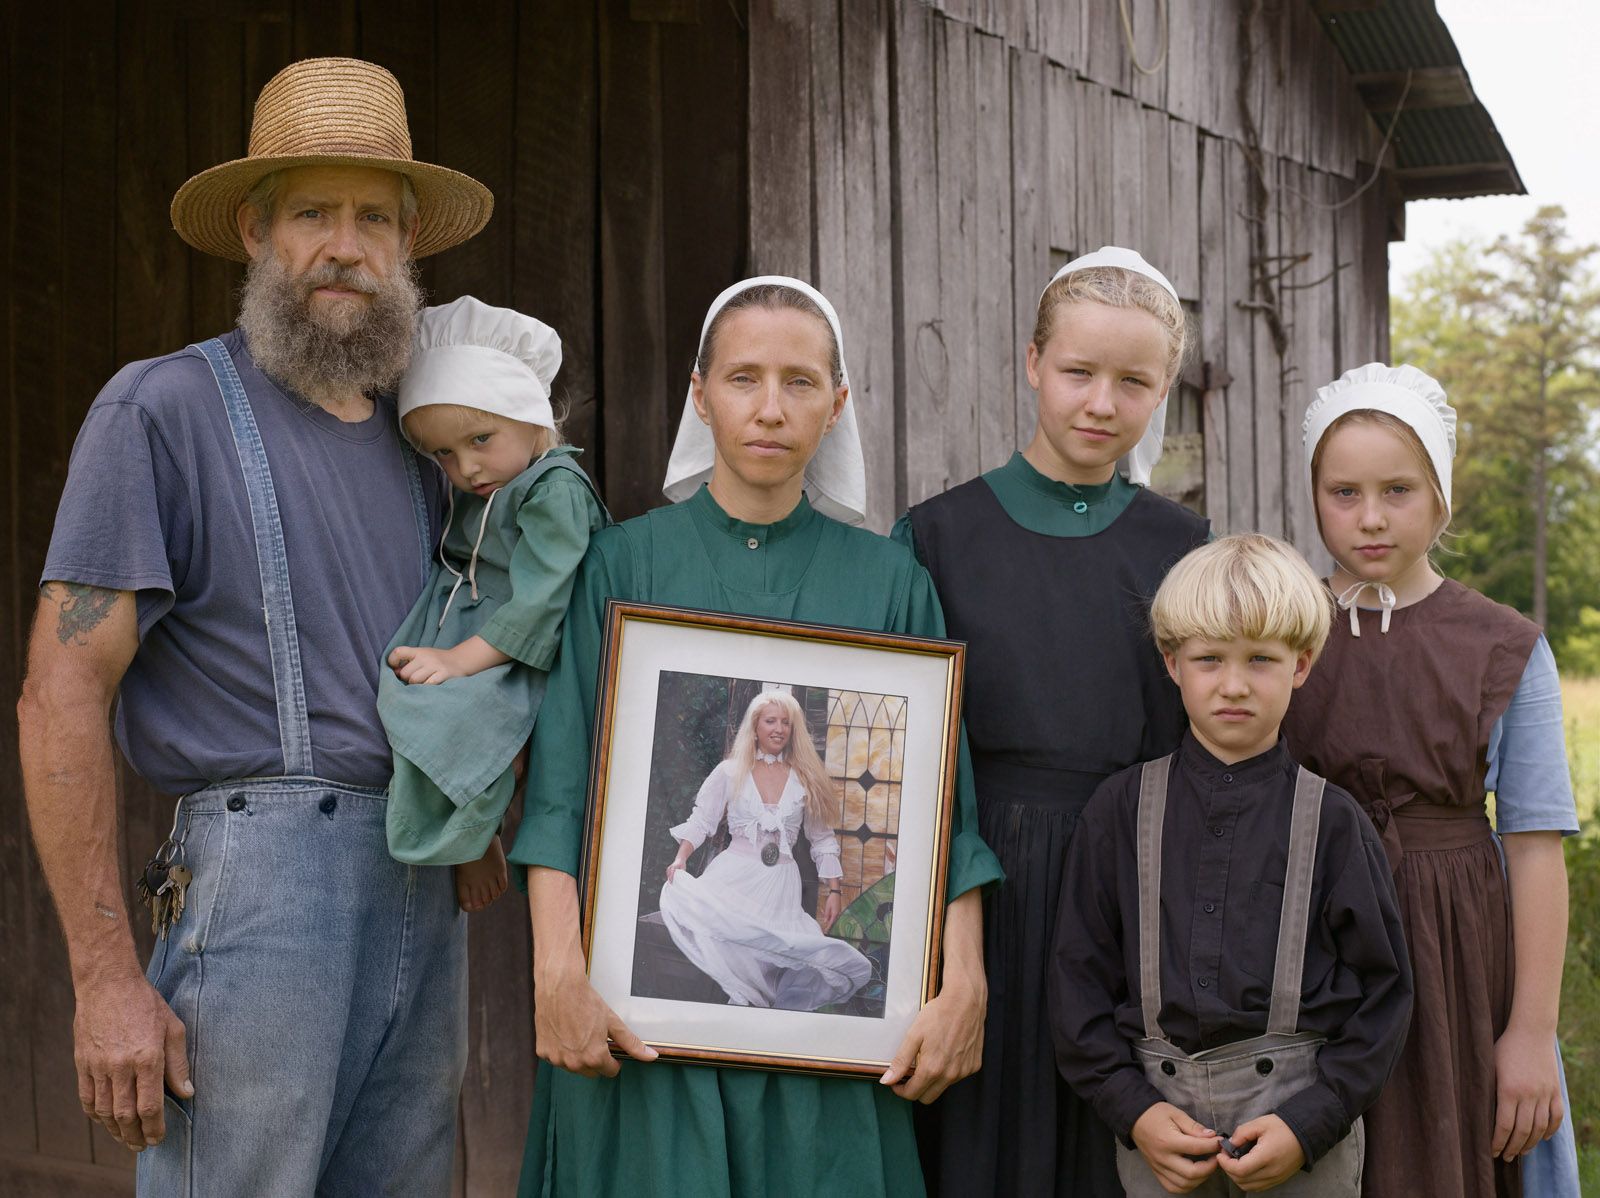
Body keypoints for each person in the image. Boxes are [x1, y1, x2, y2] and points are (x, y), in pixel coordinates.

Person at [17, 58, 493, 1194]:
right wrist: (104, 979)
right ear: (254, 230)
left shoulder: (433, 449)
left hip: (423, 898)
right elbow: (59, 692)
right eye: (311, 213)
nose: (344, 245)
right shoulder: (164, 410)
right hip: (258, 904)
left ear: (408, 239)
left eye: (372, 216)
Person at [506, 275, 1003, 1196]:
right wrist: (557, 974)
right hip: (642, 1049)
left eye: (800, 382)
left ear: (837, 403)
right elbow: (559, 794)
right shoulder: (623, 562)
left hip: (829, 1069)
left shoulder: (890, 583)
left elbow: (949, 821)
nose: (770, 408)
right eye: (743, 378)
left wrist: (963, 985)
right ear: (700, 395)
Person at [895, 246, 1210, 1195]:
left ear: (1163, 395)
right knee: (977, 1148)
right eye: (1078, 371)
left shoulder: (1183, 546)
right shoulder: (939, 534)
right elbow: (916, 752)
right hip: (974, 890)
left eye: (1133, 382)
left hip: (1131, 885)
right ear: (1031, 362)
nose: (1100, 402)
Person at [1281, 364, 1578, 1198]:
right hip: (1315, 942)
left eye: (1398, 490)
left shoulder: (1503, 645)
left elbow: (1534, 847)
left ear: (1441, 497)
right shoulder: (1281, 627)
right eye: (1343, 492)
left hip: (1456, 949)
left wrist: (1529, 1032)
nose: (1370, 517)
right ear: (1314, 495)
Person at [1051, 533, 1413, 1196]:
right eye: (1210, 659)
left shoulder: (1334, 824)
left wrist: (1311, 1122)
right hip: (1160, 1133)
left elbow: (1384, 998)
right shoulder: (1117, 812)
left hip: (1298, 1132)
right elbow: (1077, 985)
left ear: (1301, 665)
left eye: (1261, 660)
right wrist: (1133, 1111)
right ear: (1172, 663)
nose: (1234, 685)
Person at [379, 296, 607, 911]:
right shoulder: (493, 485)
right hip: (468, 617)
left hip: (520, 643)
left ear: (532, 418)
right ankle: (465, 826)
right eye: (444, 454)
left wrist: (460, 661)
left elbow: (543, 600)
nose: (467, 466)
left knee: (466, 711)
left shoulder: (552, 489)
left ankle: (478, 830)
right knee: (402, 694)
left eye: (481, 438)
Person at [659, 689, 872, 1009]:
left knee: (774, 960)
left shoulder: (805, 778)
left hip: (781, 886)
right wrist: (680, 859)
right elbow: (702, 821)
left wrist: (834, 890)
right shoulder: (730, 772)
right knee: (735, 952)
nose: (779, 729)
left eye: (786, 722)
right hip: (734, 879)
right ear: (755, 726)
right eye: (771, 721)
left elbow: (823, 838)